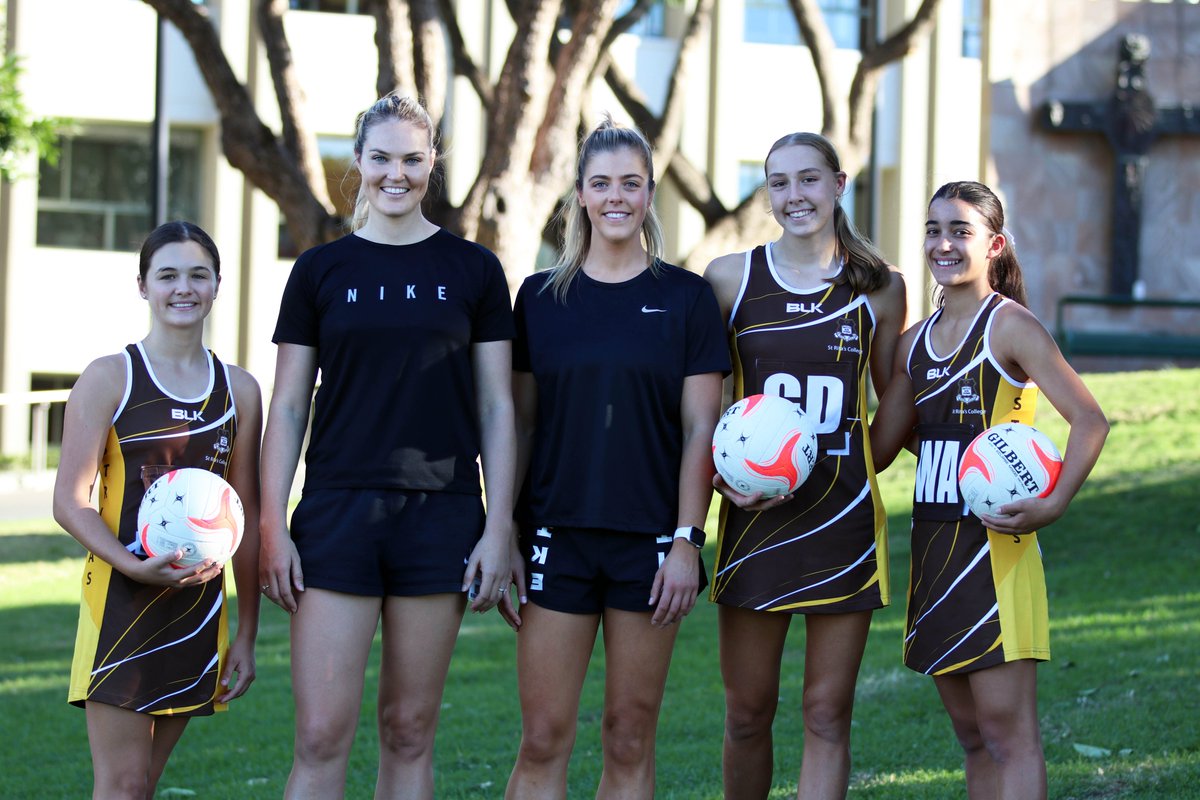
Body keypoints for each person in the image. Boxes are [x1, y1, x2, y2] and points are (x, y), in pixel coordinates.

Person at [258, 92, 518, 799]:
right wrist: (270, 526)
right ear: (359, 164)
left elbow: (497, 406)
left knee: (409, 729)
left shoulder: (474, 271)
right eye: (380, 159)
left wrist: (500, 526)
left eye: (411, 159)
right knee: (319, 735)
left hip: (442, 516)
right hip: (337, 513)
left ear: (432, 163)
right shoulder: (320, 271)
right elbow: (286, 406)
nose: (394, 174)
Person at [504, 118, 729, 799]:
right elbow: (519, 424)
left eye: (631, 183)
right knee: (543, 736)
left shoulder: (686, 298)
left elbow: (701, 429)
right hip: (556, 539)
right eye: (601, 184)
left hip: (652, 548)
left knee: (629, 735)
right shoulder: (540, 299)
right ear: (578, 195)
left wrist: (688, 541)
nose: (616, 198)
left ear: (650, 192)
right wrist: (505, 534)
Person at [870, 181, 1109, 799]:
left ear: (994, 244)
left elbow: (1090, 420)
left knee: (1010, 737)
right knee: (973, 739)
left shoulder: (1010, 326)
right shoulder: (912, 344)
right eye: (933, 229)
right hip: (934, 556)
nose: (942, 243)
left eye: (960, 230)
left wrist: (1053, 504)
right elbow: (879, 449)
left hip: (997, 557)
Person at [703, 131, 907, 799]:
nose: (796, 195)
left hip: (843, 528)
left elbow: (892, 403)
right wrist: (724, 477)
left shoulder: (879, 289)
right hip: (754, 529)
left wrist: (854, 474)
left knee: (826, 714)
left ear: (839, 185)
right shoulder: (731, 280)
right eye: (781, 183)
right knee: (746, 713)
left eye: (809, 179)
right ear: (768, 195)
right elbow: (705, 407)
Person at [54, 221, 262, 799]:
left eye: (198, 275)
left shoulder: (238, 391)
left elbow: (247, 517)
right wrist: (131, 563)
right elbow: (68, 503)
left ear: (218, 284)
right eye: (167, 275)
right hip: (121, 604)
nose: (183, 288)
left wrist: (246, 633)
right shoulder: (108, 378)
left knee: (142, 786)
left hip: (197, 612)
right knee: (120, 785)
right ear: (143, 285)